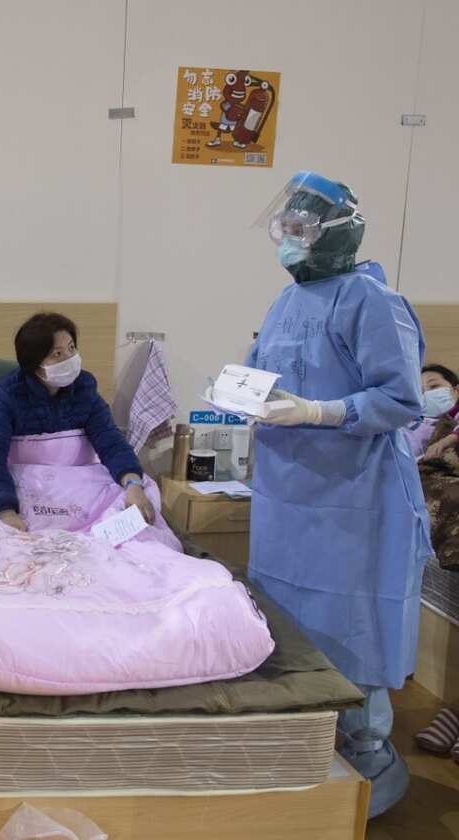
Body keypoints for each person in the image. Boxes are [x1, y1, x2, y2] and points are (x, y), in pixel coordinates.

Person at [246, 171, 431, 818]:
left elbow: (401, 399)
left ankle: (366, 752)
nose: (289, 240)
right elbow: (266, 373)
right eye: (285, 228)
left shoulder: (371, 300)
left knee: (353, 627)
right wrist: (244, 395)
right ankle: (301, 738)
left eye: (300, 229)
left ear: (337, 233)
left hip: (352, 498)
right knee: (287, 617)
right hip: (286, 493)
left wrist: (321, 413)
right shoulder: (285, 301)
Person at [0, 312, 155, 531]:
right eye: (57, 354)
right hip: (26, 485)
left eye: (71, 348)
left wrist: (133, 484)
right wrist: (6, 511)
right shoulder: (7, 395)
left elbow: (111, 441)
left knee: (140, 509)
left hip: (78, 483)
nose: (69, 358)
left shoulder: (84, 387)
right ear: (34, 364)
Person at [420, 363, 459, 461]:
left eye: (434, 386)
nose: (426, 394)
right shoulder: (408, 427)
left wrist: (448, 440)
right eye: (420, 392)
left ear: (456, 390)